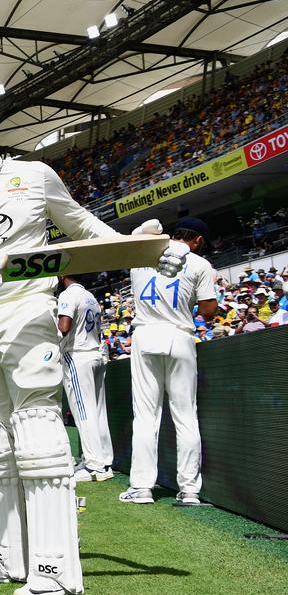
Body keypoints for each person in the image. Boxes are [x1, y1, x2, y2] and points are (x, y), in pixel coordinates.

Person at [0, 97, 184, 595]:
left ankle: (52, 570)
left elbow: (85, 230)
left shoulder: (34, 176)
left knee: (37, 427)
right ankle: (10, 556)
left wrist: (147, 253)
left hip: (26, 306)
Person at [121, 217, 218, 507]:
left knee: (146, 416)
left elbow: (138, 233)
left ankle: (142, 488)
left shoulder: (142, 256)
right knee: (186, 416)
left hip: (145, 334)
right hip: (180, 336)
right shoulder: (201, 264)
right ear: (198, 240)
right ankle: (189, 490)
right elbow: (210, 312)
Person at [56, 275, 113, 482]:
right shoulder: (90, 296)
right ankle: (105, 462)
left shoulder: (68, 294)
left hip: (77, 354)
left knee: (84, 412)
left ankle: (93, 465)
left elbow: (64, 326)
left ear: (63, 275)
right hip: (95, 353)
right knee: (98, 412)